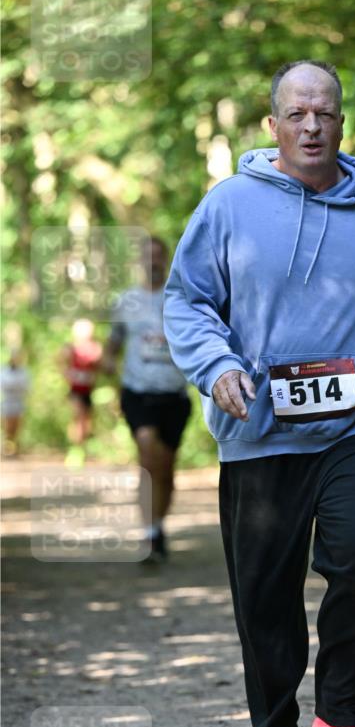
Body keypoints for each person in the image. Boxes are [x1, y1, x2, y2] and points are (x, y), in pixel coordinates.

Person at [164, 61, 355, 727]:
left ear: (342, 123)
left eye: (324, 113)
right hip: (258, 426)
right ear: (273, 126)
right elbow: (188, 302)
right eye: (296, 114)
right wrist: (215, 365)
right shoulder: (227, 205)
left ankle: (346, 719)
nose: (311, 126)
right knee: (264, 591)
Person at [104, 235, 191, 562]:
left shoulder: (181, 299)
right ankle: (149, 533)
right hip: (137, 393)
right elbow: (113, 342)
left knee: (165, 469)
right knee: (147, 452)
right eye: (147, 257)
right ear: (139, 262)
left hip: (174, 395)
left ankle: (158, 525)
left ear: (166, 260)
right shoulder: (126, 301)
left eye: (158, 257)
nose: (152, 262)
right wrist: (108, 360)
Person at [60, 318, 102, 446]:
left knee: (86, 420)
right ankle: (75, 446)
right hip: (75, 389)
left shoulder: (95, 348)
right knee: (78, 415)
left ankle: (82, 444)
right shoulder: (71, 348)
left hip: (88, 389)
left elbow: (99, 365)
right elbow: (61, 362)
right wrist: (68, 374)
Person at [1, 349, 30, 457]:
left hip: (18, 401)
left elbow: (26, 386)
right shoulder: (4, 371)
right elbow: (3, 384)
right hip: (8, 401)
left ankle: (15, 448)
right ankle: (7, 448)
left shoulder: (24, 372)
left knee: (17, 425)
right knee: (7, 425)